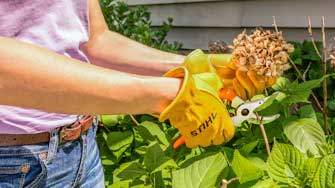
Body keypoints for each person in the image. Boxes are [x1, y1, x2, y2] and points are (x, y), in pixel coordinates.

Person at [0, 0, 264, 187]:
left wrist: (192, 68)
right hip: (11, 164)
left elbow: (93, 39)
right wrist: (165, 96)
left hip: (81, 150)